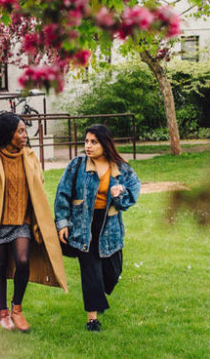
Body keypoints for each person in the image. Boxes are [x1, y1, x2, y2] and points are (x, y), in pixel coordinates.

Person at [0, 112, 67, 332]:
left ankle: (17, 308)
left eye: (24, 130)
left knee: (23, 261)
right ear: (8, 133)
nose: (25, 135)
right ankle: (3, 313)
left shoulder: (30, 156)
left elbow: (39, 184)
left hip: (22, 222)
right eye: (20, 131)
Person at [54, 124, 141, 332]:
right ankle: (92, 319)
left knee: (112, 273)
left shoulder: (122, 169)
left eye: (94, 142)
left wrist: (120, 193)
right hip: (82, 226)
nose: (88, 146)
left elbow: (131, 197)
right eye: (86, 141)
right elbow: (62, 195)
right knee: (90, 271)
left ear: (105, 143)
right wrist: (63, 223)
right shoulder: (77, 166)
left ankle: (99, 294)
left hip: (109, 228)